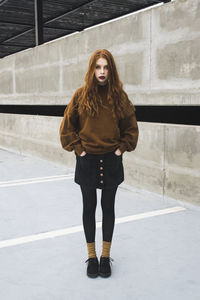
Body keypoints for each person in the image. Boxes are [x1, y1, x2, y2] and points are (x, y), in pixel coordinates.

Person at [59, 49, 139, 278]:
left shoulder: (119, 97)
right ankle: (91, 257)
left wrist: (120, 148)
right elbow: (67, 126)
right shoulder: (81, 95)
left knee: (108, 208)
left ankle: (105, 257)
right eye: (98, 67)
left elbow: (131, 128)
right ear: (91, 69)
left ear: (111, 70)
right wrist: (79, 149)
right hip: (87, 160)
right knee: (88, 208)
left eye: (106, 67)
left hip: (112, 160)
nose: (102, 72)